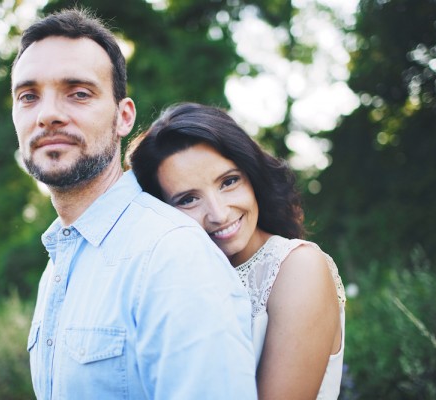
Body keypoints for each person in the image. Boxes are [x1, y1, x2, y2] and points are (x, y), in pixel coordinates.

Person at [11, 10, 257, 399]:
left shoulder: (172, 255)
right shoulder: (58, 263)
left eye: (79, 93)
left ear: (123, 117)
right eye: (29, 96)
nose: (49, 115)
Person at [127, 102, 347, 399]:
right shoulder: (172, 281)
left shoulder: (298, 266)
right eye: (188, 199)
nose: (218, 214)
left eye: (229, 182)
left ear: (252, 176)